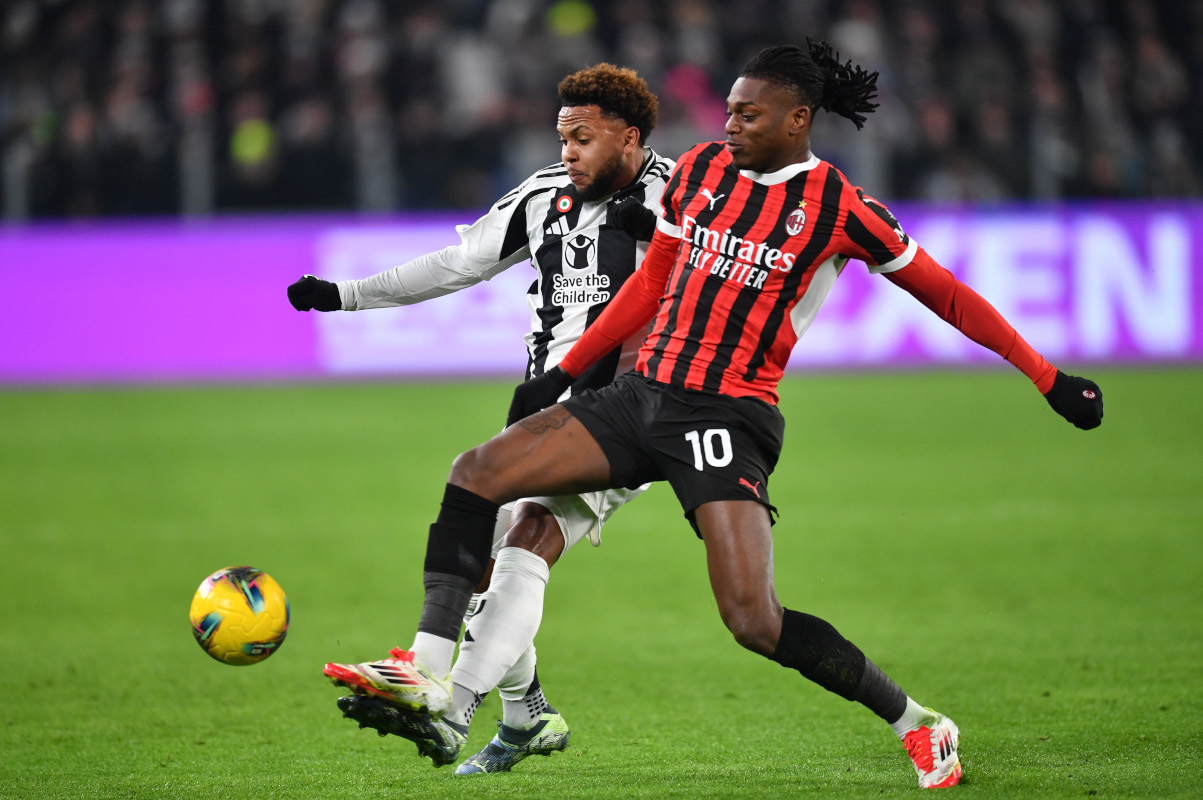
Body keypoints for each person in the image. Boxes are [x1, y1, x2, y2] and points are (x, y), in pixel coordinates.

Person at [325, 40, 1104, 790]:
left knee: (752, 620)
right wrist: (564, 371)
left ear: (797, 120)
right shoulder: (698, 173)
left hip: (726, 418)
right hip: (637, 398)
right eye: (728, 111)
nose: (727, 126)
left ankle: (914, 720)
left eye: (747, 116)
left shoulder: (839, 206)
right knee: (477, 473)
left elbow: (950, 297)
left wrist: (1046, 378)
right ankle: (428, 674)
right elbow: (648, 285)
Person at [291, 63, 674, 774]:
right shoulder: (543, 198)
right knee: (489, 551)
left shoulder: (681, 197)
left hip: (633, 404)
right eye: (562, 137)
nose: (567, 152)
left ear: (629, 136)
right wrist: (345, 294)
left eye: (582, 139)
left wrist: (654, 229)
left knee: (526, 534)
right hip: (548, 400)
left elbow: (722, 280)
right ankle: (525, 712)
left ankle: (445, 695)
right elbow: (455, 265)